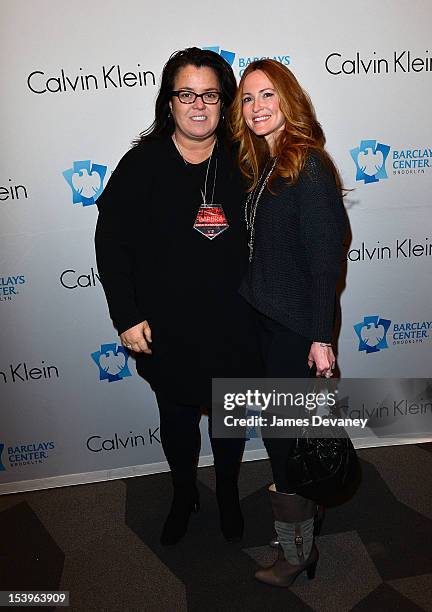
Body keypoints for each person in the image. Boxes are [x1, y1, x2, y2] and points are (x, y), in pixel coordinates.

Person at [95, 48, 261, 546]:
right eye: (186, 94)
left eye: (209, 95)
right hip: (167, 327)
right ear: (169, 101)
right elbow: (111, 244)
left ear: (224, 102)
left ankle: (228, 492)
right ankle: (184, 491)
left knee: (230, 417)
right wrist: (125, 315)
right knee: (178, 416)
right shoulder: (141, 163)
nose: (197, 106)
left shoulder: (246, 159)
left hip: (236, 324)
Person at [230, 59, 347, 587]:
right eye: (248, 98)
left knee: (285, 444)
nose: (256, 106)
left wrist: (321, 337)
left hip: (293, 330)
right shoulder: (268, 166)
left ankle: (297, 554)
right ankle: (306, 525)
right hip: (264, 322)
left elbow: (325, 258)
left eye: (267, 95)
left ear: (289, 101)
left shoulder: (309, 164)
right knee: (289, 435)